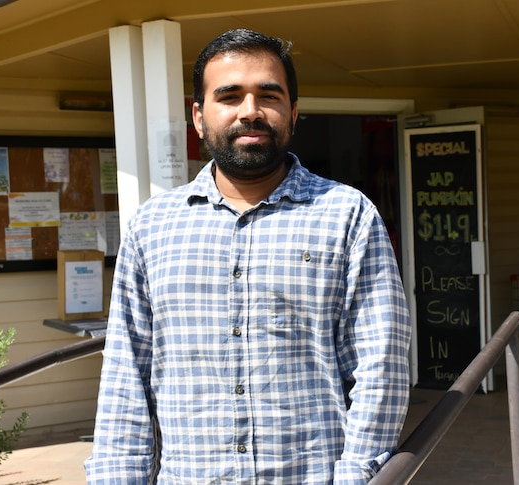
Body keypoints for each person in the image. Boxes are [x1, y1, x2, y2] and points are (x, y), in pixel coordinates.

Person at [84, 29, 412, 484]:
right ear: (198, 117)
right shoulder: (151, 227)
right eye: (230, 96)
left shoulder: (348, 216)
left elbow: (382, 367)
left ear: (293, 113)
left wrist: (357, 476)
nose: (250, 111)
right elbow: (126, 377)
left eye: (268, 95)